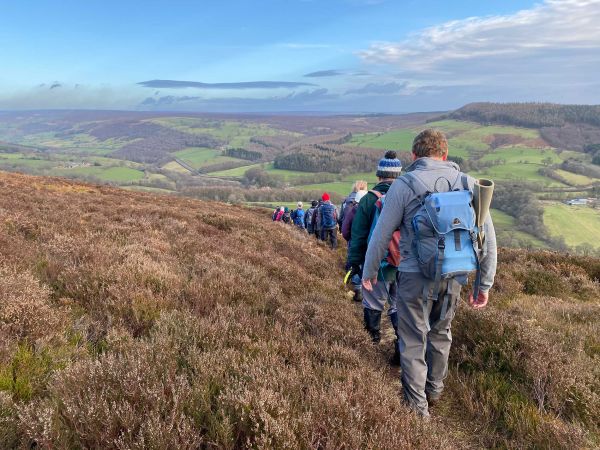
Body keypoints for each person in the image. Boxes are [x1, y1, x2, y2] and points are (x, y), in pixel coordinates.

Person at [362, 130, 497, 418]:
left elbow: (381, 234)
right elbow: (488, 239)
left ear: (414, 156)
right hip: (454, 275)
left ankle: (416, 409)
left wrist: (370, 271)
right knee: (441, 332)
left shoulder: (404, 184)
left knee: (412, 339)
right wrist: (483, 285)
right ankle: (434, 390)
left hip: (413, 275)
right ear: (445, 155)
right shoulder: (468, 183)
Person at [347, 150, 402, 354]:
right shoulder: (410, 196)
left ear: (379, 175)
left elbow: (358, 236)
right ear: (399, 175)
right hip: (404, 264)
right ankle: (401, 349)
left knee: (373, 303)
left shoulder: (369, 200)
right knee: (399, 306)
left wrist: (354, 263)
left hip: (377, 265)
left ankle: (371, 346)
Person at [341, 189, 368, 302]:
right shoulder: (372, 209)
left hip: (355, 242)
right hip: (368, 243)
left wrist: (349, 240)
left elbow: (345, 230)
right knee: (365, 264)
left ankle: (357, 290)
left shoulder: (353, 211)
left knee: (355, 264)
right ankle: (366, 289)